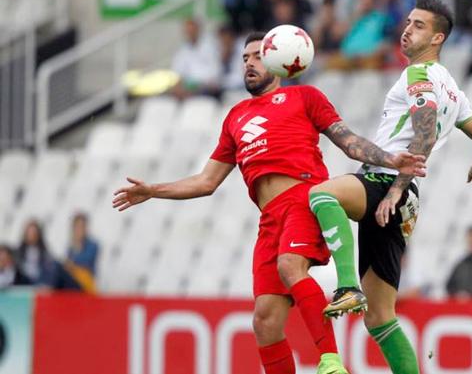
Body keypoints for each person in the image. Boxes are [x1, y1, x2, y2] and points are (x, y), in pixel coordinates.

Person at [112, 32, 426, 374]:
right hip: (270, 219)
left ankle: (331, 361)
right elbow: (206, 181)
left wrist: (389, 159)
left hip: (303, 199)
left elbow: (348, 142)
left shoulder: (305, 97)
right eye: (245, 57)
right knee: (264, 320)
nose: (249, 62)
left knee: (290, 266)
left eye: (258, 56)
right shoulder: (236, 116)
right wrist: (153, 190)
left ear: (280, 61)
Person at [308, 0, 472, 374]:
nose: (407, 29)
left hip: (386, 182)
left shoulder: (418, 75)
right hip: (406, 197)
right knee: (380, 317)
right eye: (408, 22)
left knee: (322, 194)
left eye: (419, 25)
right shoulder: (454, 92)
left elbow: (425, 128)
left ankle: (347, 286)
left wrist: (396, 188)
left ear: (437, 37)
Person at [170, 19, 224, 100]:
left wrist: (197, 85)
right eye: (188, 31)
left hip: (207, 87)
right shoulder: (183, 51)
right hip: (189, 87)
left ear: (198, 30)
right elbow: (178, 74)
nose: (190, 33)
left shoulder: (211, 46)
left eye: (192, 30)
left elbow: (215, 73)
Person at [55, 213, 99, 293]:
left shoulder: (93, 245)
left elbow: (86, 262)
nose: (79, 229)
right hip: (73, 281)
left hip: (85, 283)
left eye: (82, 226)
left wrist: (71, 264)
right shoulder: (71, 246)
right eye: (77, 227)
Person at [16, 220, 56, 287]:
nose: (32, 235)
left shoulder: (44, 252)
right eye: (30, 232)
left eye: (34, 232)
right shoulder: (18, 252)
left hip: (39, 281)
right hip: (24, 281)